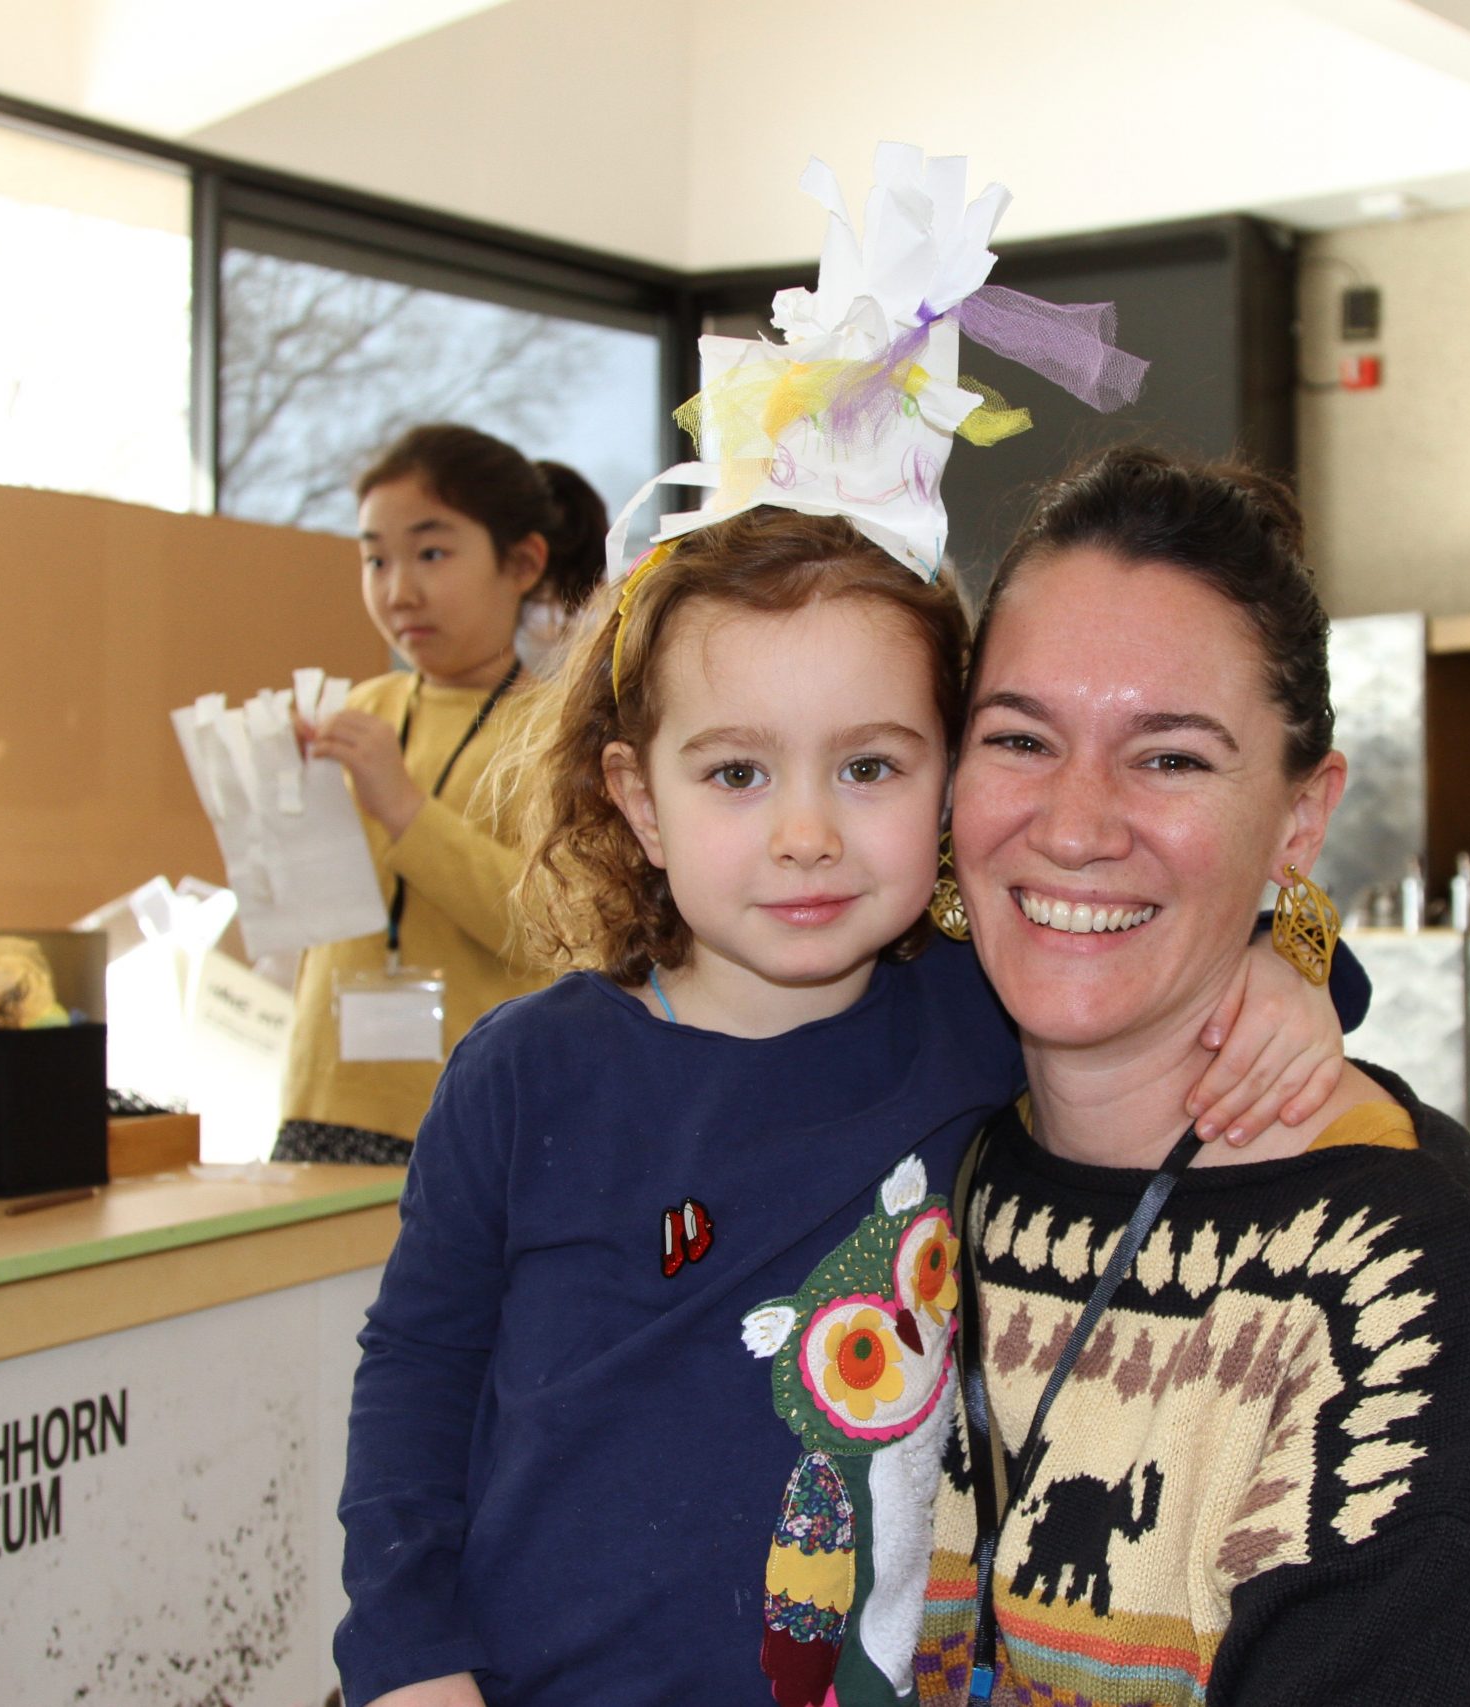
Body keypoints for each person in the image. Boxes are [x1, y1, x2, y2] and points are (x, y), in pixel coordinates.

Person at [332, 149, 1361, 1707]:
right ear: (640, 793)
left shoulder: (970, 1014)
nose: (807, 830)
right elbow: (411, 1383)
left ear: (953, 774)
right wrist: (410, 1659)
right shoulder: (522, 1077)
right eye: (738, 771)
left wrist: (1292, 978)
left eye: (870, 766)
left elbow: (1179, 961)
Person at [916, 446, 1470, 1706]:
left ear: (1300, 822)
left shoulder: (1403, 1295)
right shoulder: (915, 1145)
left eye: (1173, 758)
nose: (1077, 825)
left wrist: (1299, 945)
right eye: (1021, 738)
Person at [272, 423, 609, 1164]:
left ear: (522, 563)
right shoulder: (363, 706)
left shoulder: (557, 732)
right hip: (323, 1094)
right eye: (374, 558)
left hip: (473, 1113)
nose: (399, 590)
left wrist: (404, 809)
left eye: (431, 553)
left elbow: (558, 929)